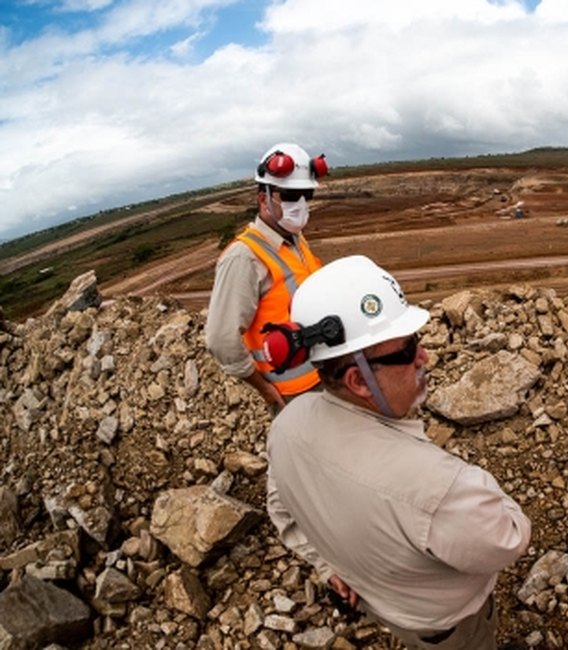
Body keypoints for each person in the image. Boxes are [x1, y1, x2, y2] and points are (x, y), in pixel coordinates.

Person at [265, 255, 531, 650]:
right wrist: (472, 481)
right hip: (451, 631)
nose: (423, 357)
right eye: (406, 351)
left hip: (393, 611)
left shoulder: (287, 425)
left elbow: (280, 506)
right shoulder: (436, 487)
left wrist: (327, 566)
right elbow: (509, 538)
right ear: (358, 380)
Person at [205, 142, 328, 413]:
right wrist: (267, 392)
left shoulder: (295, 240)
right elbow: (220, 339)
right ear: (263, 198)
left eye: (307, 195)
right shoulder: (243, 257)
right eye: (290, 196)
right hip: (292, 395)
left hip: (325, 378)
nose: (301, 204)